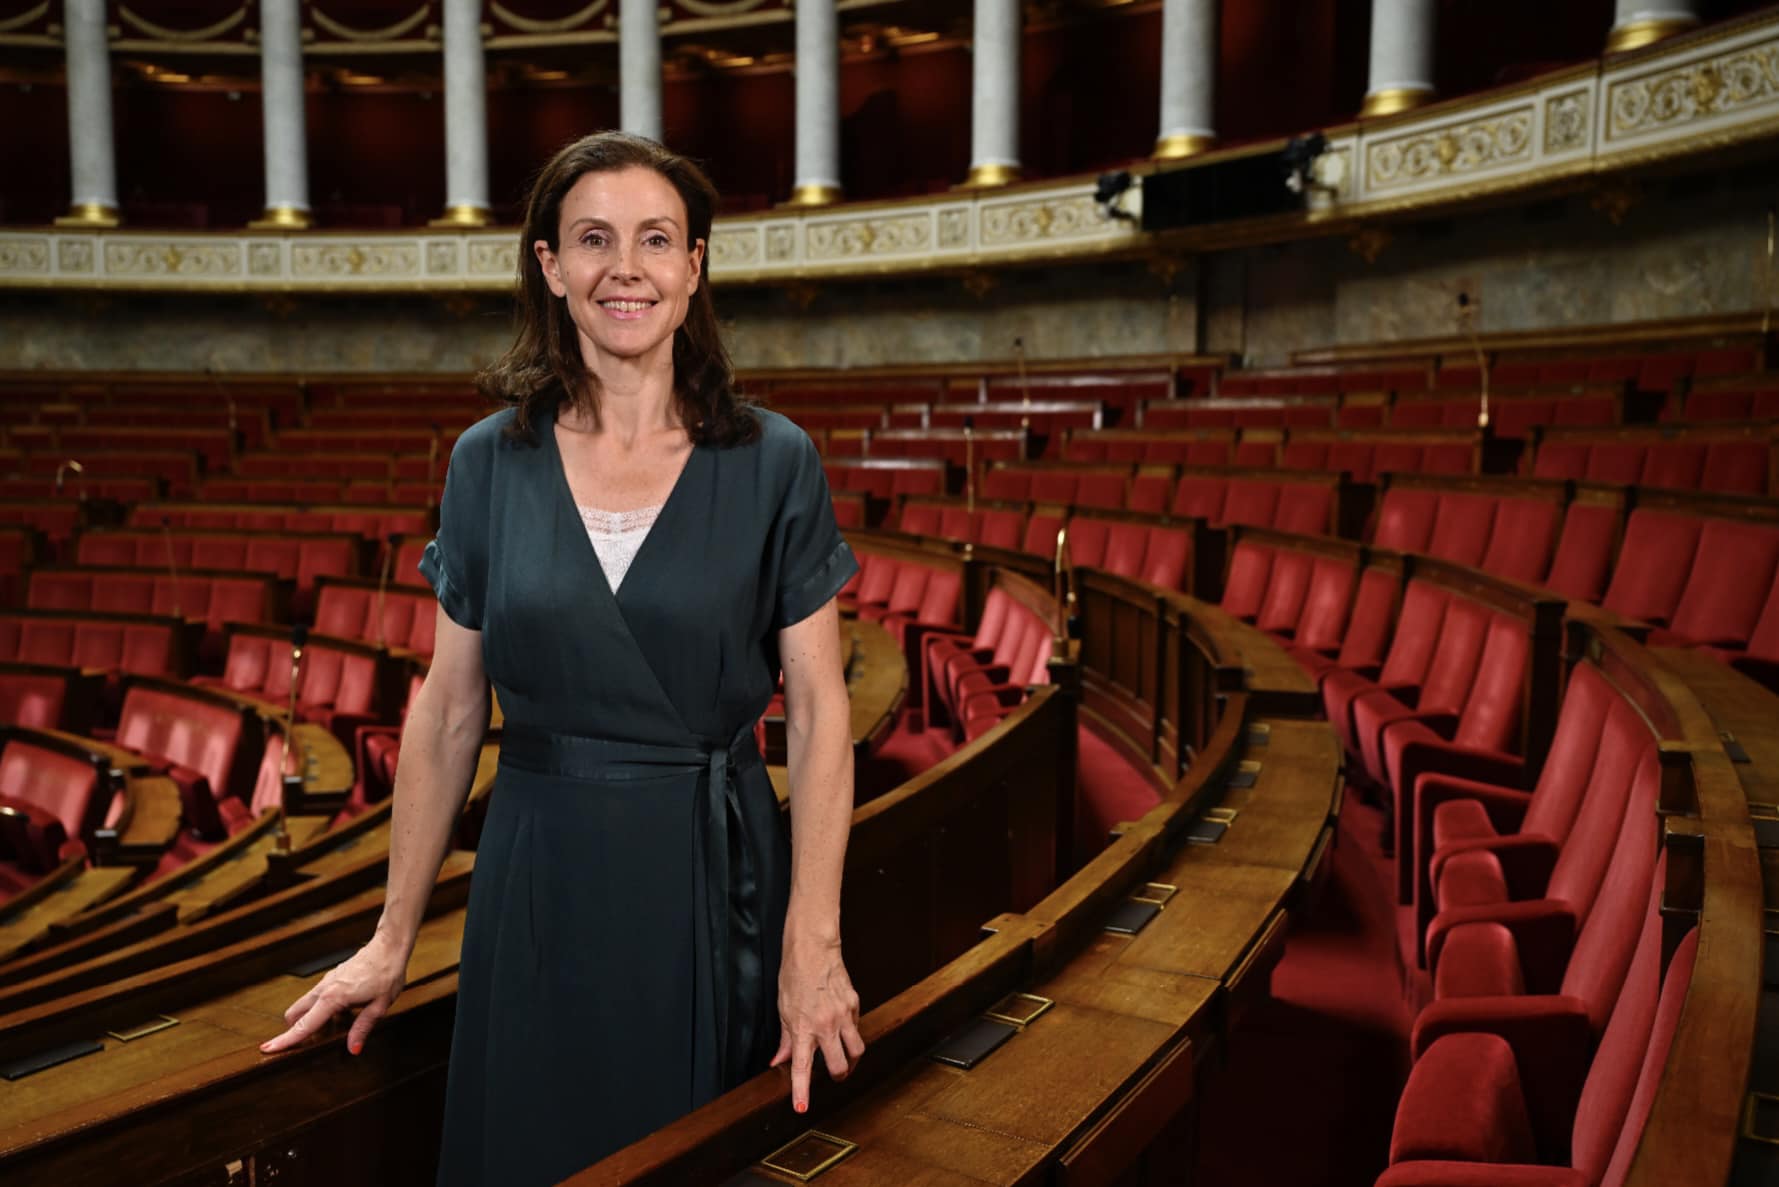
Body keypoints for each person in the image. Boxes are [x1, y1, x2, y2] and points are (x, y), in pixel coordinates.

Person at [261, 131, 867, 1185]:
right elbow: (451, 711)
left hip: (711, 870)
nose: (623, 267)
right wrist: (392, 934)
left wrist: (813, 943)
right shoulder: (488, 458)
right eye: (593, 239)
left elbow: (816, 711)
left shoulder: (776, 458)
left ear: (695, 265)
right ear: (549, 265)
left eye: (655, 240)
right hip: (538, 876)